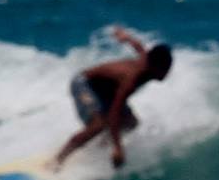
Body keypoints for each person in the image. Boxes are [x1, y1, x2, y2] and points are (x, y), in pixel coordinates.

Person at [53, 27, 172, 170]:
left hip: (107, 91)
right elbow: (114, 112)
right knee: (98, 125)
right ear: (155, 66)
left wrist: (125, 37)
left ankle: (98, 149)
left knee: (130, 123)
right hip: (84, 84)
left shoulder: (148, 61)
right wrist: (118, 147)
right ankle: (57, 161)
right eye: (165, 68)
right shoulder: (131, 80)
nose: (167, 72)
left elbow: (139, 47)